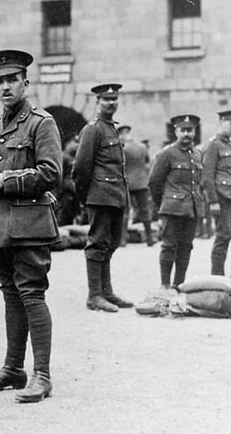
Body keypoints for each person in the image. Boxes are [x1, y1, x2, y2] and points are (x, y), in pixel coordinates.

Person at [0, 49, 60, 404]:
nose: (6, 87)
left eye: (13, 80)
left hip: (30, 224)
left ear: (25, 82)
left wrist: (7, 180)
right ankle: (13, 368)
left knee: (32, 294)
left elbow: (51, 173)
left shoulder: (42, 123)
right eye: (0, 81)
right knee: (10, 293)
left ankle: (42, 375)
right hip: (0, 224)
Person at [72, 83, 132, 312]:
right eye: (106, 99)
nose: (111, 103)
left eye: (114, 99)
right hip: (99, 196)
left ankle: (106, 292)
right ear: (97, 102)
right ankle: (94, 295)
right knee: (97, 243)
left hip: (115, 196)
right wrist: (85, 197)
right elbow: (81, 167)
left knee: (112, 243)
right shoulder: (93, 130)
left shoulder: (111, 128)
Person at [147, 115, 205, 288]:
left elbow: (198, 183)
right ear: (176, 131)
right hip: (172, 208)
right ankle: (165, 285)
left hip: (192, 208)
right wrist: (163, 204)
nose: (186, 134)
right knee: (169, 246)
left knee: (186, 246)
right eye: (183, 130)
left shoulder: (197, 154)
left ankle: (179, 284)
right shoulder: (167, 153)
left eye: (190, 130)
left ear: (194, 132)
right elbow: (154, 181)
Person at [201, 110, 231, 276]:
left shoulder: (229, 145)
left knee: (228, 234)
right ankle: (217, 275)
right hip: (221, 197)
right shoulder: (213, 145)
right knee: (222, 235)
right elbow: (207, 176)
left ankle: (220, 274)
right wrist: (212, 201)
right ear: (221, 122)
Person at [118, 125, 154, 247]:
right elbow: (147, 161)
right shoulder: (142, 147)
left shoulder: (122, 148)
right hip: (142, 183)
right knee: (144, 210)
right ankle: (149, 238)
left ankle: (123, 239)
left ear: (122, 135)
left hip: (127, 183)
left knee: (125, 211)